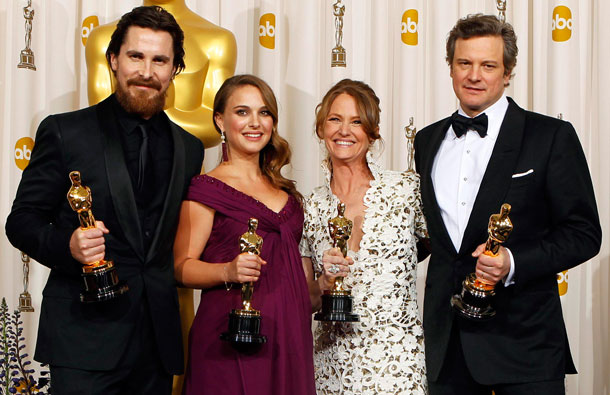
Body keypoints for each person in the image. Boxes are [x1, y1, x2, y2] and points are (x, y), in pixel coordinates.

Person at [5, 6, 204, 394]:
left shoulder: (190, 148)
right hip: (84, 340)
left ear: (173, 69)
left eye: (160, 60)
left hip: (156, 346)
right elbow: (22, 220)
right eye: (136, 56)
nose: (147, 71)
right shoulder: (66, 131)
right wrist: (68, 245)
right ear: (113, 60)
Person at [414, 14, 601, 395]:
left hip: (524, 347)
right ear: (450, 67)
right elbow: (430, 236)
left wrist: (513, 262)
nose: (474, 76)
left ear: (508, 71)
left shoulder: (550, 136)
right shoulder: (427, 141)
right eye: (464, 63)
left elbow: (583, 233)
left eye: (488, 65)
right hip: (446, 349)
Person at [173, 74, 316, 395]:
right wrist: (227, 270)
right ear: (219, 121)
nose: (255, 122)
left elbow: (298, 277)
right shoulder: (205, 188)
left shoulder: (286, 192)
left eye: (264, 113)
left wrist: (326, 283)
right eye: (242, 112)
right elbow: (181, 267)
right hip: (231, 337)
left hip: (288, 337)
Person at [300, 79, 428, 394]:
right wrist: (324, 284)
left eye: (357, 121)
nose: (345, 130)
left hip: (400, 367)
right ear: (321, 128)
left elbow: (446, 256)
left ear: (372, 133)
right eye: (335, 119)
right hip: (332, 369)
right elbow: (305, 300)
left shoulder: (406, 191)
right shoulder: (308, 207)